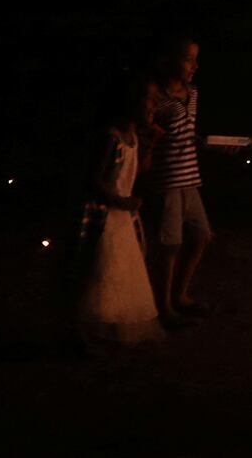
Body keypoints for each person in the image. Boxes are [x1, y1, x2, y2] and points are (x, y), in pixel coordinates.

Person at [75, 76, 164, 346]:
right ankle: (82, 334)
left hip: (122, 215)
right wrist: (119, 201)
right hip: (105, 214)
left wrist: (151, 144)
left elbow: (136, 171)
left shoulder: (132, 137)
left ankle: (109, 330)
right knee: (99, 273)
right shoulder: (110, 137)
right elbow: (94, 179)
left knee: (120, 272)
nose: (154, 105)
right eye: (148, 98)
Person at [150, 38, 212, 327]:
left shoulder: (193, 93)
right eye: (188, 59)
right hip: (167, 179)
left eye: (195, 59)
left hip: (190, 178)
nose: (194, 66)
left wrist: (209, 143)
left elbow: (185, 133)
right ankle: (164, 306)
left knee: (201, 236)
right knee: (170, 245)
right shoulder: (156, 96)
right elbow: (149, 134)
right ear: (170, 60)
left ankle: (181, 295)